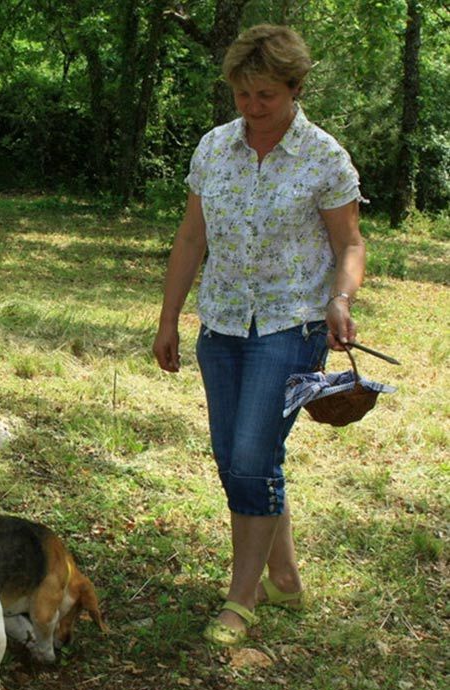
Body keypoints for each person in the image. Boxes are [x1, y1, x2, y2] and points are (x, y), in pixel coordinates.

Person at [152, 24, 366, 646]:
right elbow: (193, 238)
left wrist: (341, 298)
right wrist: (169, 318)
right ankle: (285, 577)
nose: (252, 107)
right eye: (243, 94)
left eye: (266, 94)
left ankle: (240, 601)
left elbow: (349, 242)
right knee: (239, 458)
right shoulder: (214, 148)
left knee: (250, 458)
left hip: (291, 324)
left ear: (295, 89)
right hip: (220, 323)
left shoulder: (323, 157)